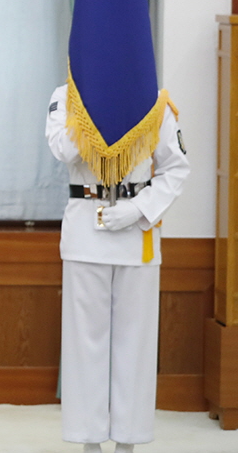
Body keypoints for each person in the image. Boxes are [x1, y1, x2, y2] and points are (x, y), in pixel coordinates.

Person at [46, 84, 189, 453]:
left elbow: (175, 168)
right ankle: (89, 441)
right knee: (85, 345)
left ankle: (128, 441)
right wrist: (96, 111)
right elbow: (62, 149)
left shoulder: (153, 99)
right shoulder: (66, 97)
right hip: (85, 226)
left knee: (135, 345)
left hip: (135, 230)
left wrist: (139, 209)